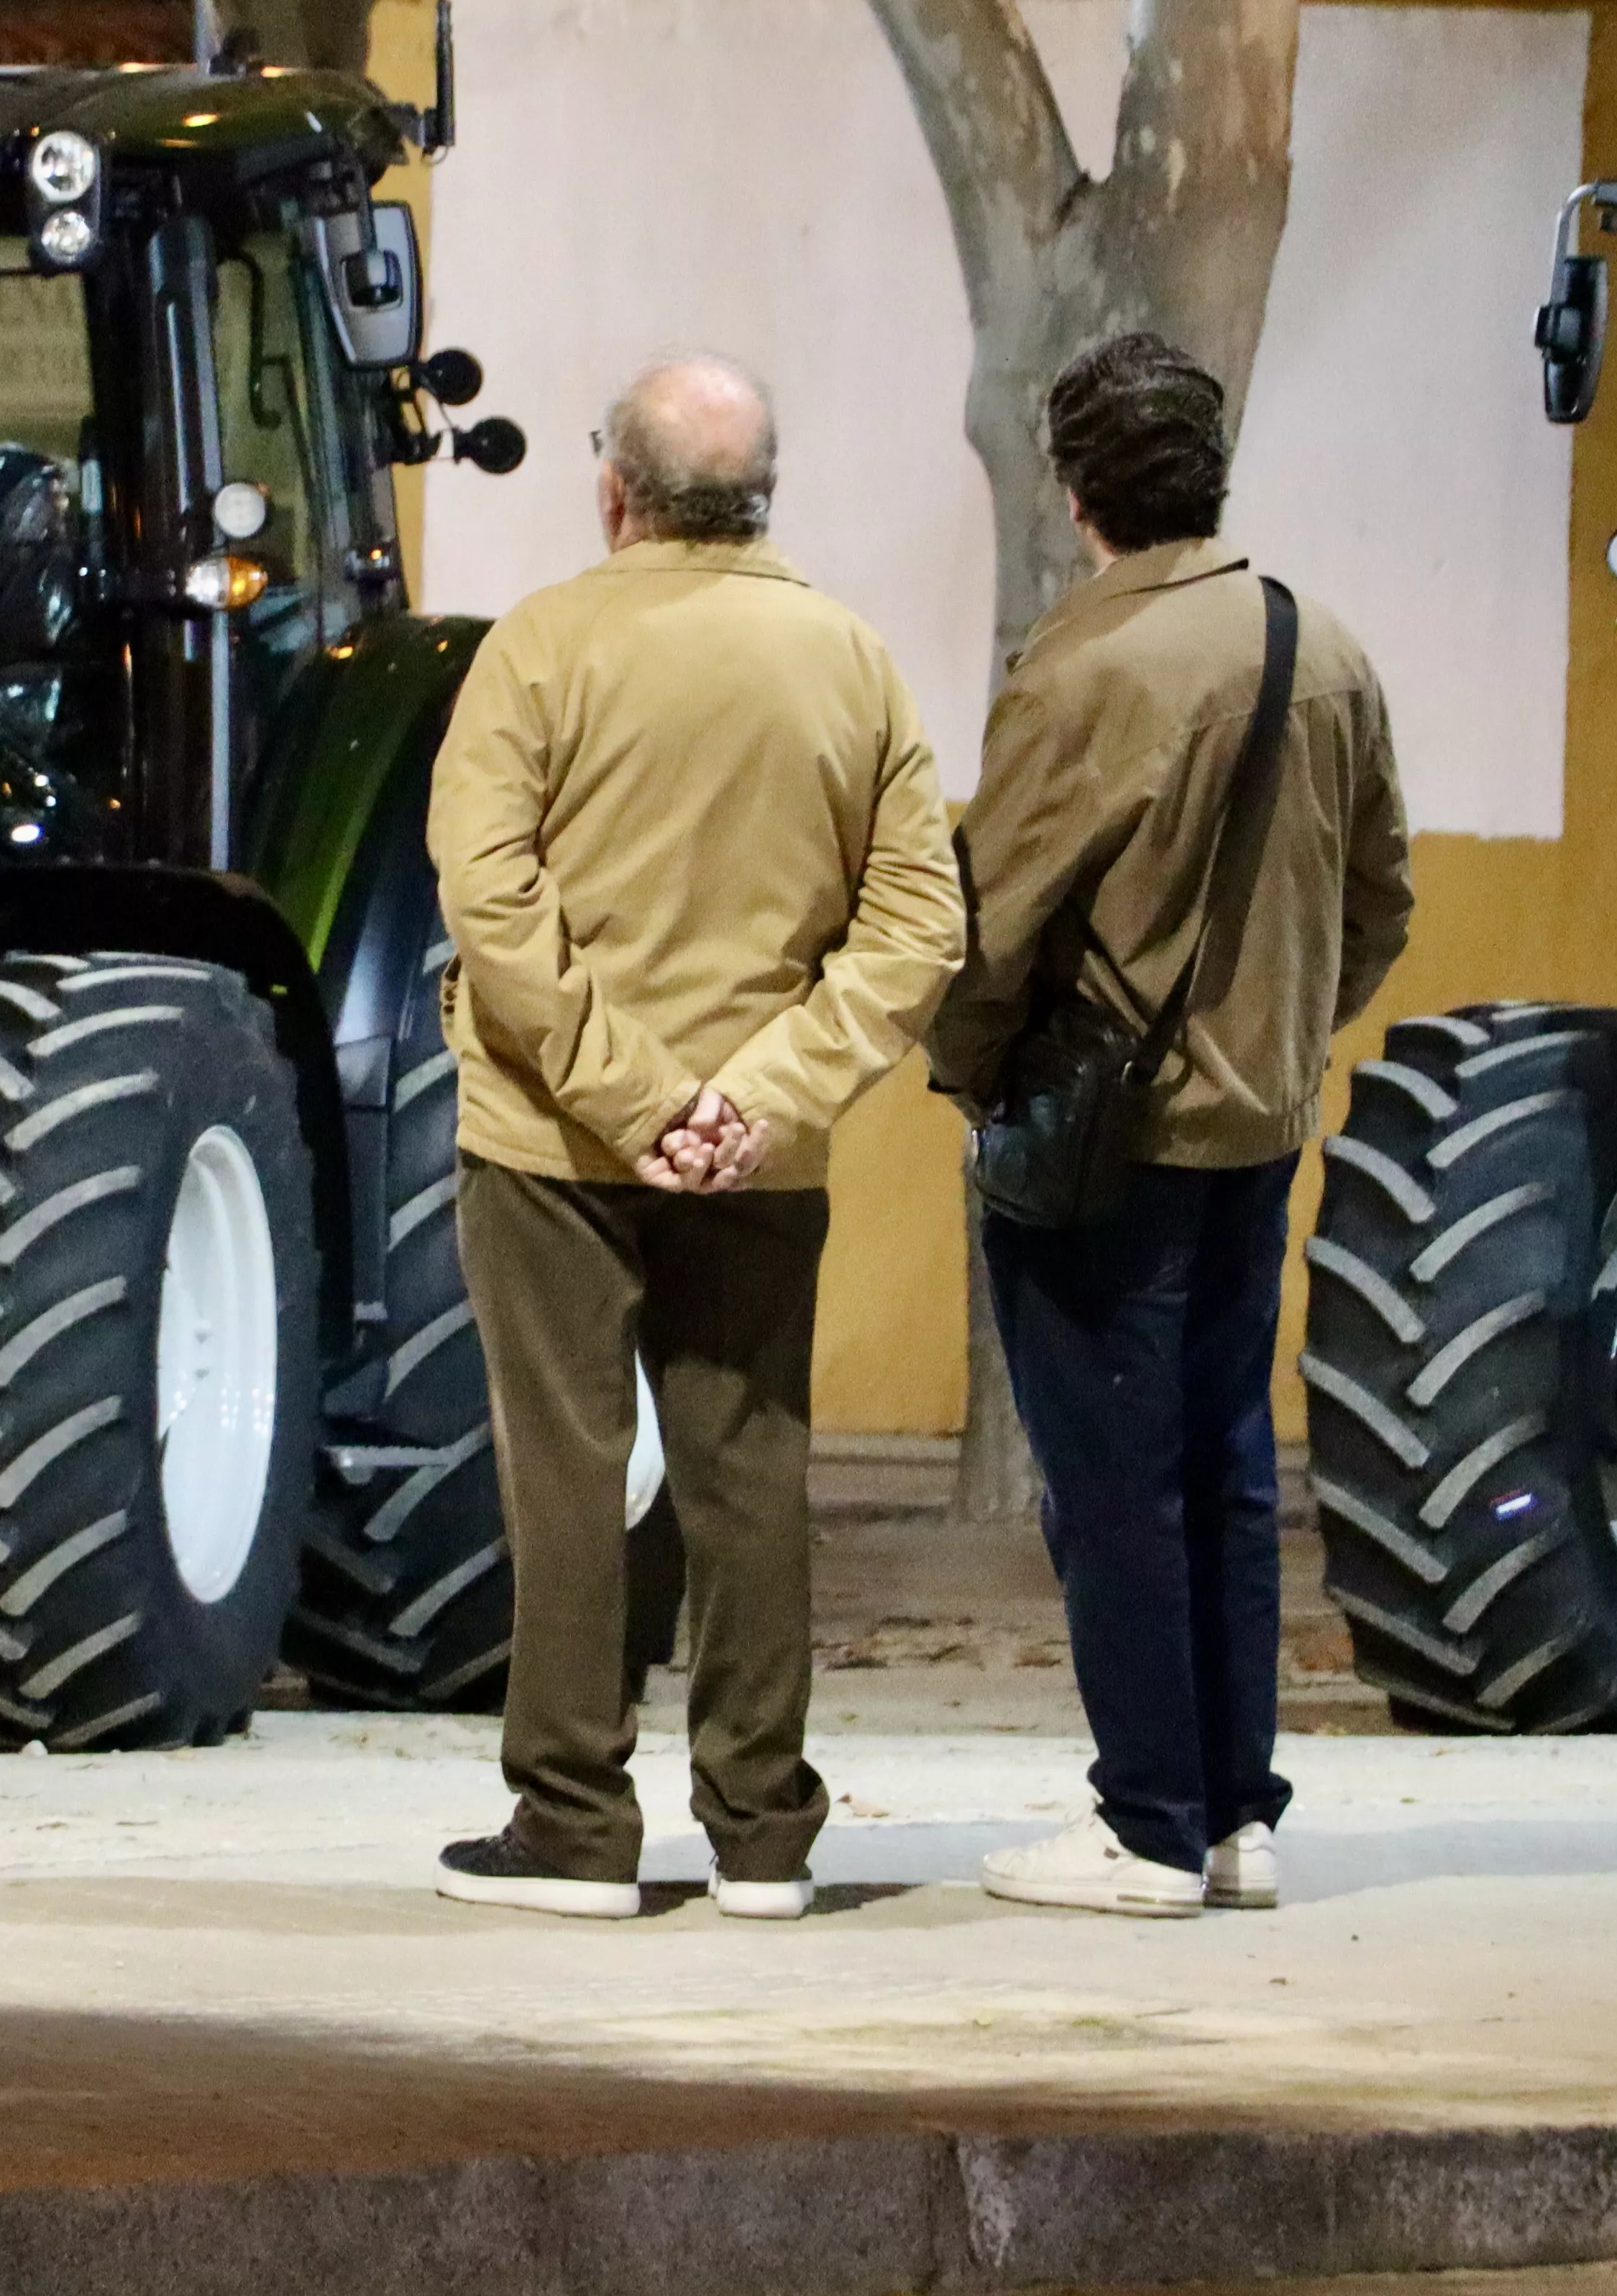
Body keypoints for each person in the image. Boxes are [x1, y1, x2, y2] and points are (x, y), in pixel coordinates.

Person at [426, 355, 966, 1922]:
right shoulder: (853, 662)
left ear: (614, 489)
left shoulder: (540, 648)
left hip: (549, 1146)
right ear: (765, 493)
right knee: (751, 1479)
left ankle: (576, 1828)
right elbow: (916, 923)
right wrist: (761, 1093)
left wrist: (631, 1092)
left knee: (569, 1476)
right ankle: (764, 1836)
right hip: (760, 1158)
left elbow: (492, 895)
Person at [932, 332, 1413, 1918]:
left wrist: (973, 1073)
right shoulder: (1320, 643)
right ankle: (1232, 1814)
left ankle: (1142, 1818)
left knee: (1113, 1477)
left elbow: (992, 925)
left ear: (1077, 495)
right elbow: (1380, 900)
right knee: (1224, 1463)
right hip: (1257, 1123)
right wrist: (1273, 1035)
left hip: (1107, 1143)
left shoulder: (1085, 670)